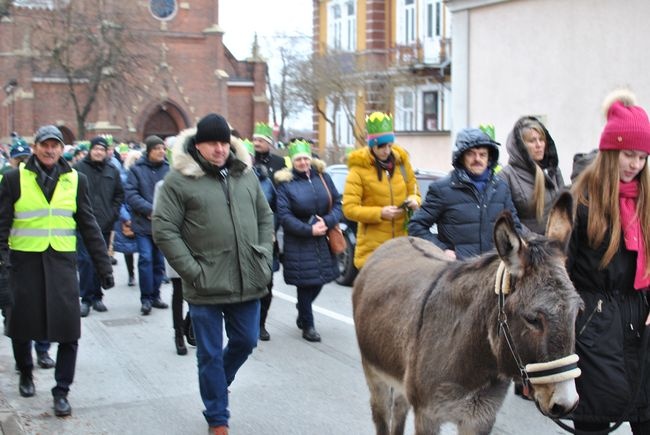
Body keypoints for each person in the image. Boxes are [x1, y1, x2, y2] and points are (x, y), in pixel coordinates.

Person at [153, 113, 273, 435]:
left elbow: (265, 216)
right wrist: (193, 271)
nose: (220, 149)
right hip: (204, 283)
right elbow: (164, 229)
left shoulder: (244, 174)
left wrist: (262, 256)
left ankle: (220, 383)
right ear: (198, 145)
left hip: (247, 277)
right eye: (212, 143)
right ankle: (217, 418)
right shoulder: (179, 180)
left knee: (246, 340)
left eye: (224, 142)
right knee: (208, 354)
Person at [0, 125, 114, 417]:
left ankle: (61, 391)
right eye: (45, 145)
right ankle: (26, 371)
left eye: (56, 145)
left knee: (68, 331)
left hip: (62, 264)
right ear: (35, 147)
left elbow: (88, 224)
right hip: (23, 263)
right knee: (20, 326)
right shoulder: (13, 180)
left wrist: (103, 265)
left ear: (62, 149)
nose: (50, 150)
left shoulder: (76, 180)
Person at [568, 90, 650, 435]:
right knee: (593, 423)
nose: (635, 164)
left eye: (643, 157)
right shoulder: (580, 200)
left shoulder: (646, 199)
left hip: (640, 325)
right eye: (628, 154)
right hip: (592, 328)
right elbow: (559, 272)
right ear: (610, 151)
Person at [408, 127, 521, 259]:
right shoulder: (442, 189)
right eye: (471, 154)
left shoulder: (501, 188)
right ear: (461, 157)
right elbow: (416, 226)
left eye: (482, 154)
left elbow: (515, 228)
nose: (477, 159)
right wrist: (442, 250)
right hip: (459, 272)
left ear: (489, 158)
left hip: (493, 270)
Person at [275, 138, 342, 342]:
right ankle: (308, 325)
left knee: (321, 280)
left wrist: (328, 221)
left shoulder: (324, 177)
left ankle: (302, 309)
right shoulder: (286, 185)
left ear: (310, 158)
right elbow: (284, 216)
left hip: (324, 238)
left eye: (305, 158)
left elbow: (338, 203)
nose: (303, 163)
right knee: (305, 284)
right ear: (292, 162)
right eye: (298, 160)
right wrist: (309, 230)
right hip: (300, 241)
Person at [1, 140, 56, 369]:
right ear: (12, 160)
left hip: (42, 253)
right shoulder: (9, 180)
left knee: (44, 307)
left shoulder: (40, 179)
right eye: (19, 159)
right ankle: (22, 357)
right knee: (17, 312)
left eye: (26, 157)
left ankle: (42, 351)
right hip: (14, 255)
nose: (23, 162)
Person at [342, 112, 421, 270]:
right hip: (373, 251)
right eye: (381, 146)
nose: (386, 151)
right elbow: (349, 209)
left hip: (402, 247)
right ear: (372, 145)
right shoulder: (358, 170)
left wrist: (414, 200)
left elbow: (415, 192)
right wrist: (380, 213)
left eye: (390, 146)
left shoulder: (403, 165)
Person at [74, 136, 124, 316]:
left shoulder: (112, 170)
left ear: (106, 152)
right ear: (90, 150)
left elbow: (119, 194)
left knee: (99, 262)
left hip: (103, 223)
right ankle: (86, 299)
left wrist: (113, 214)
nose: (98, 152)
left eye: (102, 149)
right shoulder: (78, 169)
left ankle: (97, 297)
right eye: (95, 149)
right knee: (85, 261)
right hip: (83, 224)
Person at [125, 135, 169, 315]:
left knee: (159, 262)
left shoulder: (169, 170)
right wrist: (149, 210)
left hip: (162, 225)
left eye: (163, 148)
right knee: (145, 259)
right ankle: (146, 298)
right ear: (149, 151)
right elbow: (131, 194)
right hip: (143, 224)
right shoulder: (136, 170)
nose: (161, 152)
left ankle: (156, 295)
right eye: (157, 148)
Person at [499, 116, 565, 234]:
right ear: (520, 146)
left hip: (555, 245)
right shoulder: (506, 176)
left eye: (541, 139)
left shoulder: (552, 170)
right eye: (532, 141)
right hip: (527, 247)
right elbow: (508, 218)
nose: (539, 145)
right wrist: (534, 241)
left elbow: (563, 207)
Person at [251, 122, 286, 340]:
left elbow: (281, 201)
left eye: (261, 140)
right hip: (246, 231)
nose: (257, 143)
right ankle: (247, 321)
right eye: (255, 140)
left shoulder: (280, 163)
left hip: (269, 231)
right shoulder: (244, 160)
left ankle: (261, 323)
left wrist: (273, 229)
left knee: (267, 281)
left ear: (269, 143)